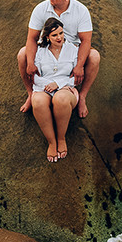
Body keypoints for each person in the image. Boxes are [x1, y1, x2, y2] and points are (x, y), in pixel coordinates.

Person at [17, 0, 101, 118]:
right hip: (47, 45)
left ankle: (82, 97)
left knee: (94, 56)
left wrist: (80, 65)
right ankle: (31, 94)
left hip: (72, 47)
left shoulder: (81, 11)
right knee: (22, 54)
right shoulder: (41, 8)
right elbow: (32, 38)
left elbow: (86, 40)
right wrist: (30, 62)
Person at [28, 17, 78, 162]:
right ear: (47, 37)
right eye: (54, 35)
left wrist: (58, 83)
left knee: (60, 99)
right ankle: (52, 142)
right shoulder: (39, 51)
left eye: (61, 33)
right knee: (37, 101)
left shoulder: (73, 50)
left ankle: (61, 138)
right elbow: (35, 77)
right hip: (43, 88)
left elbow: (77, 77)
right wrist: (49, 85)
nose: (59, 37)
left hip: (66, 89)